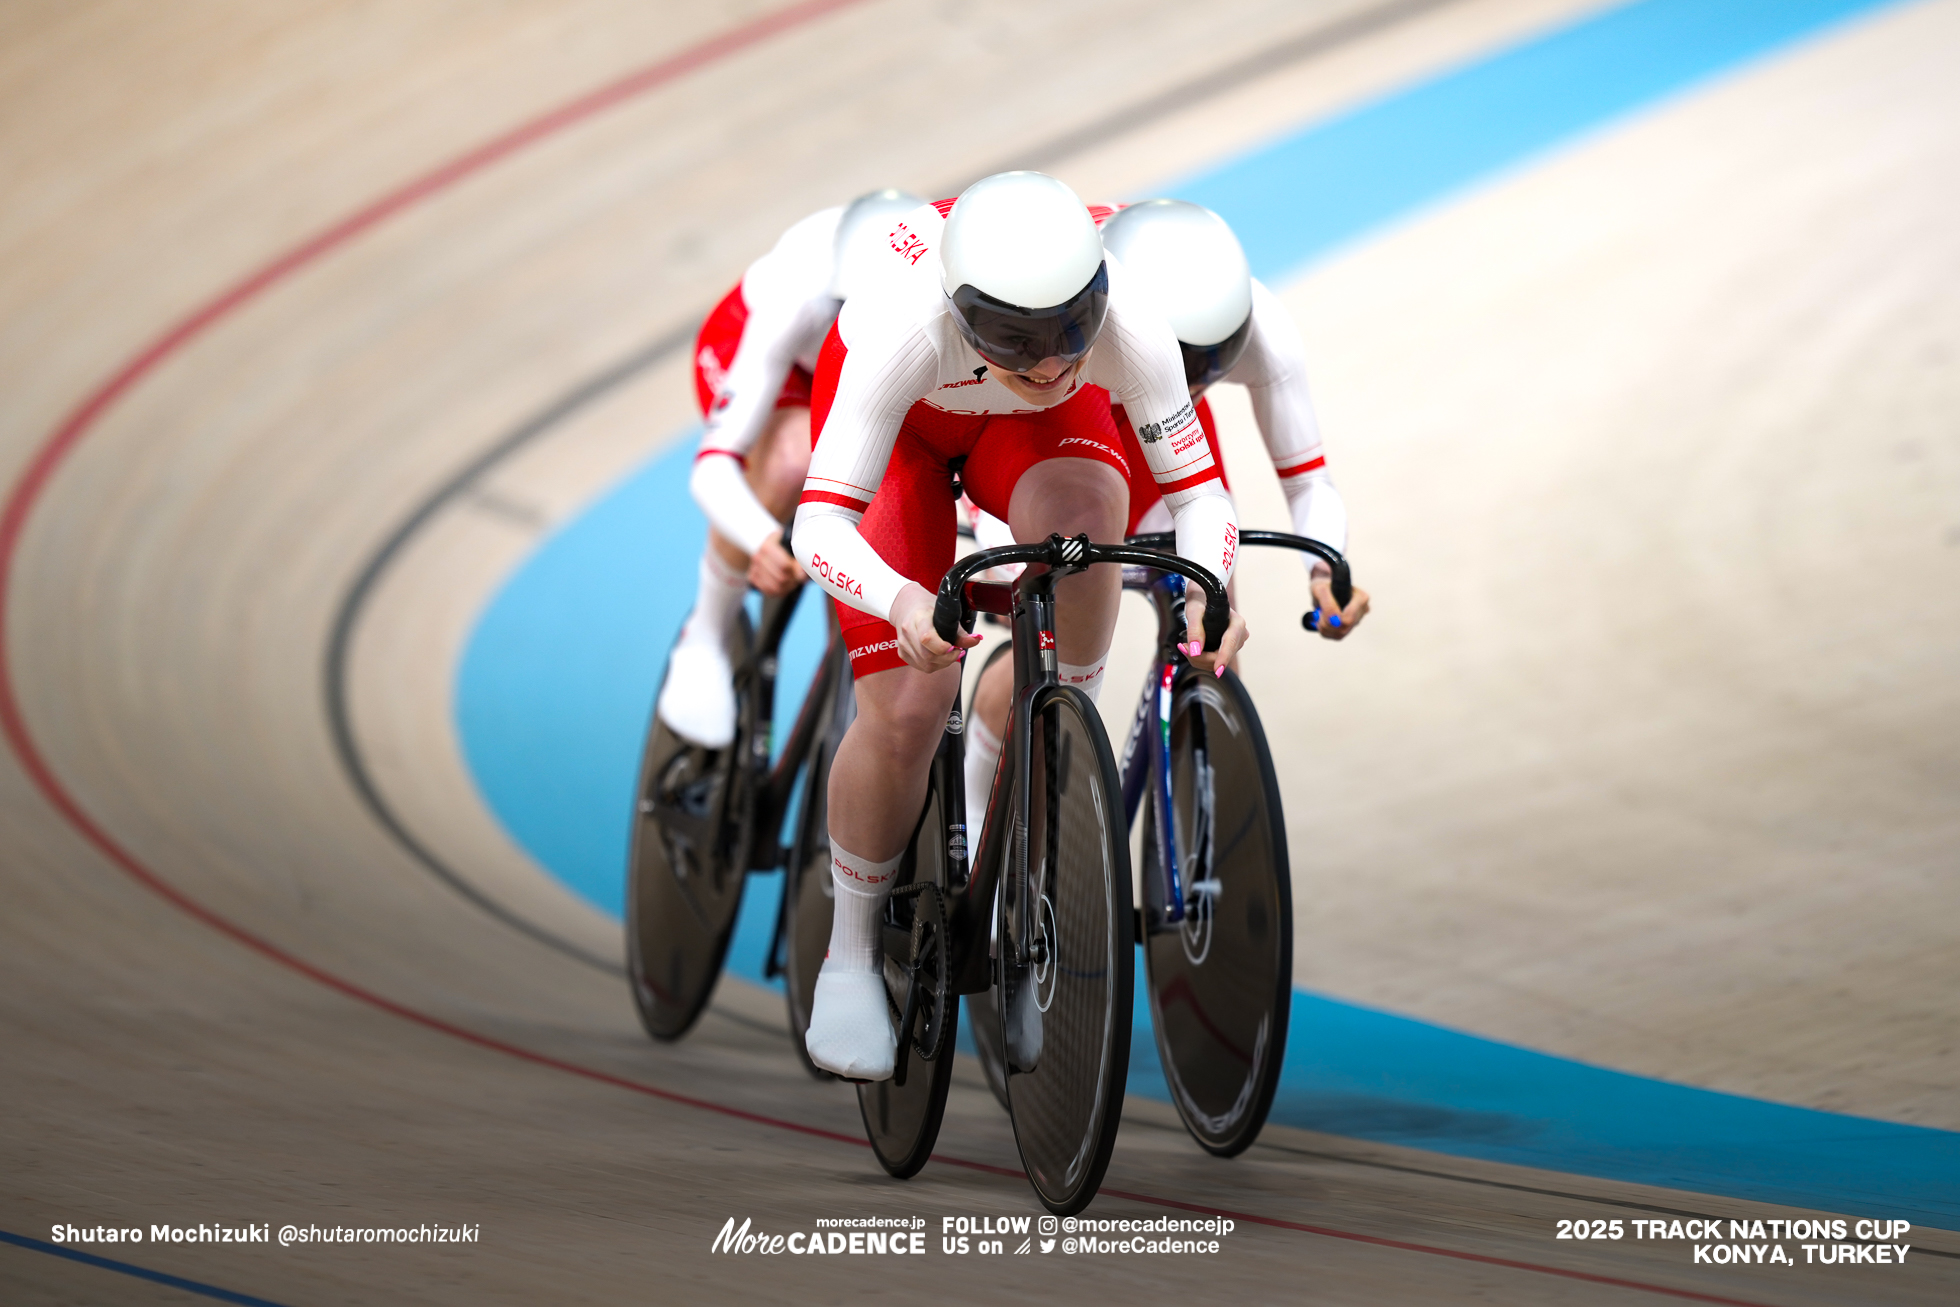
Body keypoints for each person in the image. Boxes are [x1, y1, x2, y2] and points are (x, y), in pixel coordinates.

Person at [790, 172, 1249, 1080]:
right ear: (962, 314)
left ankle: (1047, 738)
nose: (1048, 363)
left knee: (1092, 515)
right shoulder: (899, 330)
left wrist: (1212, 590)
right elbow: (819, 526)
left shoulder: (1125, 331)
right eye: (1016, 339)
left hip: (1021, 433)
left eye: (1071, 330)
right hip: (907, 434)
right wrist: (902, 603)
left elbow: (1202, 498)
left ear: (1099, 296)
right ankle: (848, 953)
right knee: (912, 703)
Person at [961, 199, 1372, 842]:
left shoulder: (1260, 324)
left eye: (1215, 362)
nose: (1198, 378)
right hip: (1056, 425)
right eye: (1184, 362)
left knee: (1214, 614)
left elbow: (1309, 480)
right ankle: (976, 803)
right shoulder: (1072, 320)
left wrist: (1324, 569)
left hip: (1160, 440)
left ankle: (1196, 814)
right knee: (1041, 638)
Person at [657, 189, 923, 748]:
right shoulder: (795, 297)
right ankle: (704, 635)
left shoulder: (935, 301)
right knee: (789, 462)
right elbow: (711, 469)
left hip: (870, 372)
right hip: (767, 357)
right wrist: (759, 539)